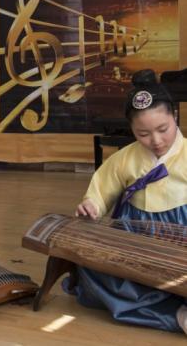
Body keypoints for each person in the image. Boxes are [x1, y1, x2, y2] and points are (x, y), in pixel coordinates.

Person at [71, 69, 187, 334]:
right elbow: (101, 190)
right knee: (93, 267)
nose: (156, 141)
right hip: (135, 233)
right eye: (143, 133)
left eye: (163, 129)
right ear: (131, 129)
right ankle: (174, 314)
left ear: (175, 116)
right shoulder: (124, 158)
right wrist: (92, 206)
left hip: (180, 232)